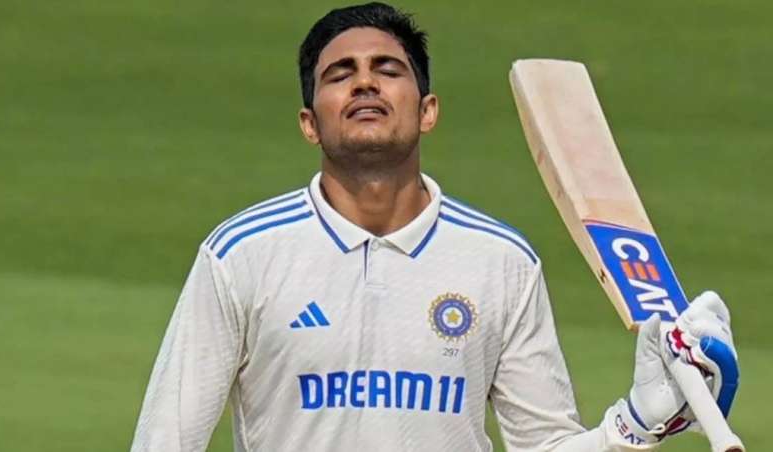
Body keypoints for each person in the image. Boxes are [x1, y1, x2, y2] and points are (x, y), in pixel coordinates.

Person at [130, 3, 739, 451]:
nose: (364, 81)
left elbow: (544, 446)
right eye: (339, 74)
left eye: (386, 69)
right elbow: (164, 442)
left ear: (427, 111)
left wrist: (634, 425)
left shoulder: (501, 261)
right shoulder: (242, 255)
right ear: (309, 122)